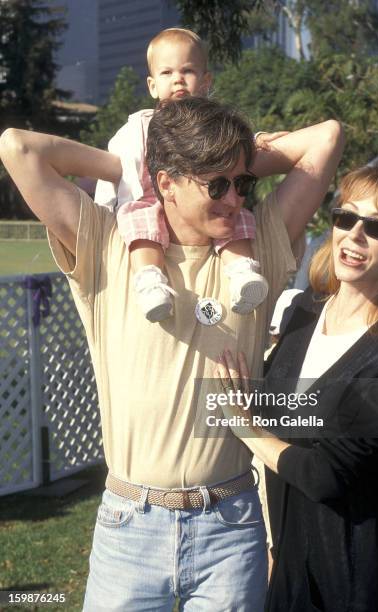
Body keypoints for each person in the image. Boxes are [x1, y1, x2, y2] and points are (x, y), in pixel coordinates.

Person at [0, 97, 343, 610]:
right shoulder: (109, 247)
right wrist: (130, 164)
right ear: (166, 183)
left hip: (231, 528)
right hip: (129, 529)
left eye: (242, 182)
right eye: (217, 184)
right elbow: (17, 147)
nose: (235, 199)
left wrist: (235, 159)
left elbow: (327, 136)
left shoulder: (261, 248)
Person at [216, 160, 378, 612]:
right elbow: (280, 415)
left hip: (359, 577)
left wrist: (242, 426)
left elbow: (326, 476)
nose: (355, 236)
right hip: (287, 566)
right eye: (346, 217)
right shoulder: (302, 313)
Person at [96, 27, 273, 322]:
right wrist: (105, 209)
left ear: (205, 81)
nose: (177, 78)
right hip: (152, 200)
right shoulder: (138, 127)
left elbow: (233, 148)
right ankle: (151, 280)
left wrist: (260, 140)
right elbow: (116, 170)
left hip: (207, 199)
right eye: (166, 73)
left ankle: (242, 272)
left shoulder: (215, 123)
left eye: (187, 70)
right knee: (139, 222)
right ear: (152, 86)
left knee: (238, 218)